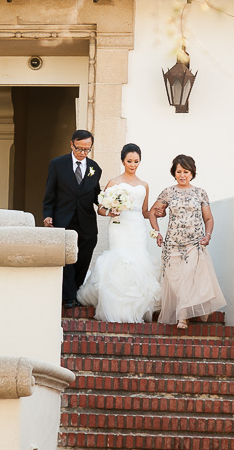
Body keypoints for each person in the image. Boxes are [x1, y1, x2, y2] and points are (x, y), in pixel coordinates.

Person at [77, 143, 161, 322]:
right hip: (119, 225)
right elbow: (101, 209)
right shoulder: (114, 183)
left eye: (136, 161)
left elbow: (145, 212)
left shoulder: (144, 185)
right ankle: (115, 306)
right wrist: (111, 212)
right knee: (120, 259)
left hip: (137, 227)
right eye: (129, 161)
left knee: (138, 259)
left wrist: (158, 211)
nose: (133, 164)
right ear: (123, 161)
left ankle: (136, 307)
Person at [148, 154, 226, 329]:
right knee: (176, 279)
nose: (182, 175)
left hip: (194, 243)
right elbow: (152, 212)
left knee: (190, 278)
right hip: (173, 244)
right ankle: (190, 310)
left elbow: (209, 218)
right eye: (179, 171)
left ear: (192, 173)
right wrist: (157, 232)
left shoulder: (200, 193)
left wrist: (208, 236)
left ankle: (183, 316)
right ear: (174, 173)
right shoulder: (168, 192)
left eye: (186, 171)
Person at [42, 129, 102, 307]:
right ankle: (68, 296)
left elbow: (96, 194)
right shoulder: (57, 164)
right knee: (66, 257)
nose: (83, 153)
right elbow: (49, 193)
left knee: (83, 256)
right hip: (63, 218)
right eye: (79, 149)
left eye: (87, 149)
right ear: (71, 144)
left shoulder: (94, 168)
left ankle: (75, 291)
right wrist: (47, 215)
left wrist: (110, 204)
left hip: (87, 221)